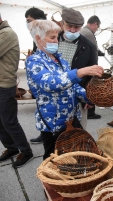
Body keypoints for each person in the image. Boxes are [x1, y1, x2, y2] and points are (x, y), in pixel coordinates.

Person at [26, 20, 104, 159]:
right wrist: (80, 72)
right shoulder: (34, 61)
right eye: (52, 37)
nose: (56, 41)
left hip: (71, 118)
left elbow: (72, 86)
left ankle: (75, 179)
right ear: (38, 38)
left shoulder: (60, 60)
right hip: (52, 122)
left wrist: (90, 96)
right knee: (53, 158)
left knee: (77, 152)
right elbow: (50, 83)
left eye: (57, 37)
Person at [0, 13, 33, 168]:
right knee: (1, 121)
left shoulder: (7, 33)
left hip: (5, 85)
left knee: (9, 121)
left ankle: (26, 151)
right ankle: (11, 148)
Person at [58, 8, 99, 129]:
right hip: (56, 94)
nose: (72, 30)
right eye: (69, 26)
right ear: (62, 23)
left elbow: (93, 74)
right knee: (56, 131)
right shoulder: (53, 40)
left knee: (78, 132)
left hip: (78, 95)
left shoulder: (88, 46)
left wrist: (90, 99)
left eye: (76, 28)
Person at [25, 7, 47, 144]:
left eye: (29, 20)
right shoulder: (35, 33)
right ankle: (44, 134)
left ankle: (47, 135)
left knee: (45, 107)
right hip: (39, 76)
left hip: (46, 76)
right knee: (41, 107)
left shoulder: (45, 32)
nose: (27, 23)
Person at [80, 15, 105, 120]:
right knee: (90, 87)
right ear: (95, 23)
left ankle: (85, 107)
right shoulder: (89, 33)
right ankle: (90, 112)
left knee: (84, 87)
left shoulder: (82, 31)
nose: (96, 29)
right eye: (97, 27)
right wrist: (95, 68)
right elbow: (93, 51)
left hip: (82, 66)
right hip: (88, 67)